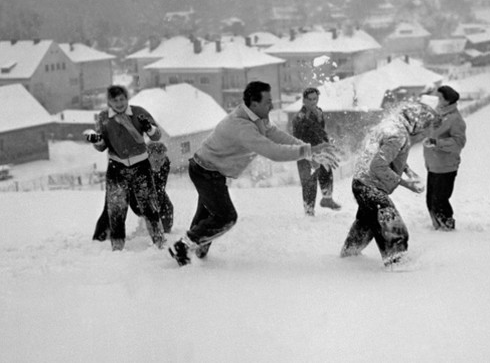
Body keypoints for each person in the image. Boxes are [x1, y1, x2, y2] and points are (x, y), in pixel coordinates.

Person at [169, 81, 339, 266]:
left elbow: (275, 135)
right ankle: (183, 247)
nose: (272, 105)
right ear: (254, 103)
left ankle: (192, 250)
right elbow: (273, 151)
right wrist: (308, 152)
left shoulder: (257, 118)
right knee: (225, 217)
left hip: (212, 170)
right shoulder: (242, 126)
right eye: (268, 102)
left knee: (207, 215)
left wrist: (308, 149)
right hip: (205, 171)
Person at [340, 102, 440, 268]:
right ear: (419, 124)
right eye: (428, 128)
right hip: (369, 186)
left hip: (361, 183)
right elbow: (378, 165)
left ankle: (348, 258)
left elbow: (388, 155)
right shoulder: (398, 135)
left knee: (366, 226)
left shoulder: (392, 126)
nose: (428, 134)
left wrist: (408, 171)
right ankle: (398, 266)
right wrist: (407, 184)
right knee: (393, 228)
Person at [84, 85, 164, 251]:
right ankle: (117, 248)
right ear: (109, 101)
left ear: (127, 99)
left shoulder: (138, 112)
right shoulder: (104, 118)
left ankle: (159, 242)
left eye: (122, 99)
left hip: (141, 166)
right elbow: (102, 146)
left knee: (149, 205)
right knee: (116, 209)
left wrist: (149, 127)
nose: (119, 103)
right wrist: (97, 140)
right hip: (117, 168)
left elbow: (156, 136)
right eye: (115, 100)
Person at [92, 142, 174, 241]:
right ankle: (100, 238)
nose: (159, 164)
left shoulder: (164, 165)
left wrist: (156, 208)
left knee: (167, 208)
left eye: (162, 159)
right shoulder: (137, 164)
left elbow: (160, 188)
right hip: (126, 186)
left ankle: (165, 231)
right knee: (113, 208)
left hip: (150, 189)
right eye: (156, 161)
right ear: (147, 157)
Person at [422, 85, 467, 231]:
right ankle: (437, 228)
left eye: (440, 97)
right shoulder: (437, 115)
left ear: (448, 100)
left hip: (446, 167)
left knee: (440, 201)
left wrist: (437, 143)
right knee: (430, 201)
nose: (438, 100)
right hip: (433, 165)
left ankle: (447, 230)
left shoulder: (455, 119)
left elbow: (459, 143)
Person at [292, 87, 341, 216]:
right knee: (309, 181)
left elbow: (321, 131)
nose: (314, 102)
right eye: (310, 99)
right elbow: (298, 140)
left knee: (326, 170)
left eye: (315, 99)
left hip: (320, 149)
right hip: (305, 152)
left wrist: (326, 145)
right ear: (304, 100)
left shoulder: (319, 112)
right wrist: (311, 155)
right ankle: (309, 210)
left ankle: (327, 199)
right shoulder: (299, 118)